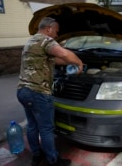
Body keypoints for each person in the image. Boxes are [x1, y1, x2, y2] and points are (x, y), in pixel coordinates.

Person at [17, 17, 83, 166]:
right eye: (56, 32)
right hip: (38, 92)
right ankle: (53, 160)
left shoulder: (31, 42)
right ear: (48, 28)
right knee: (46, 128)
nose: (57, 35)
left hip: (23, 91)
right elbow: (64, 54)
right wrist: (78, 62)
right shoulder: (45, 41)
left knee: (32, 125)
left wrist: (71, 61)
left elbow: (58, 60)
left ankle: (36, 155)